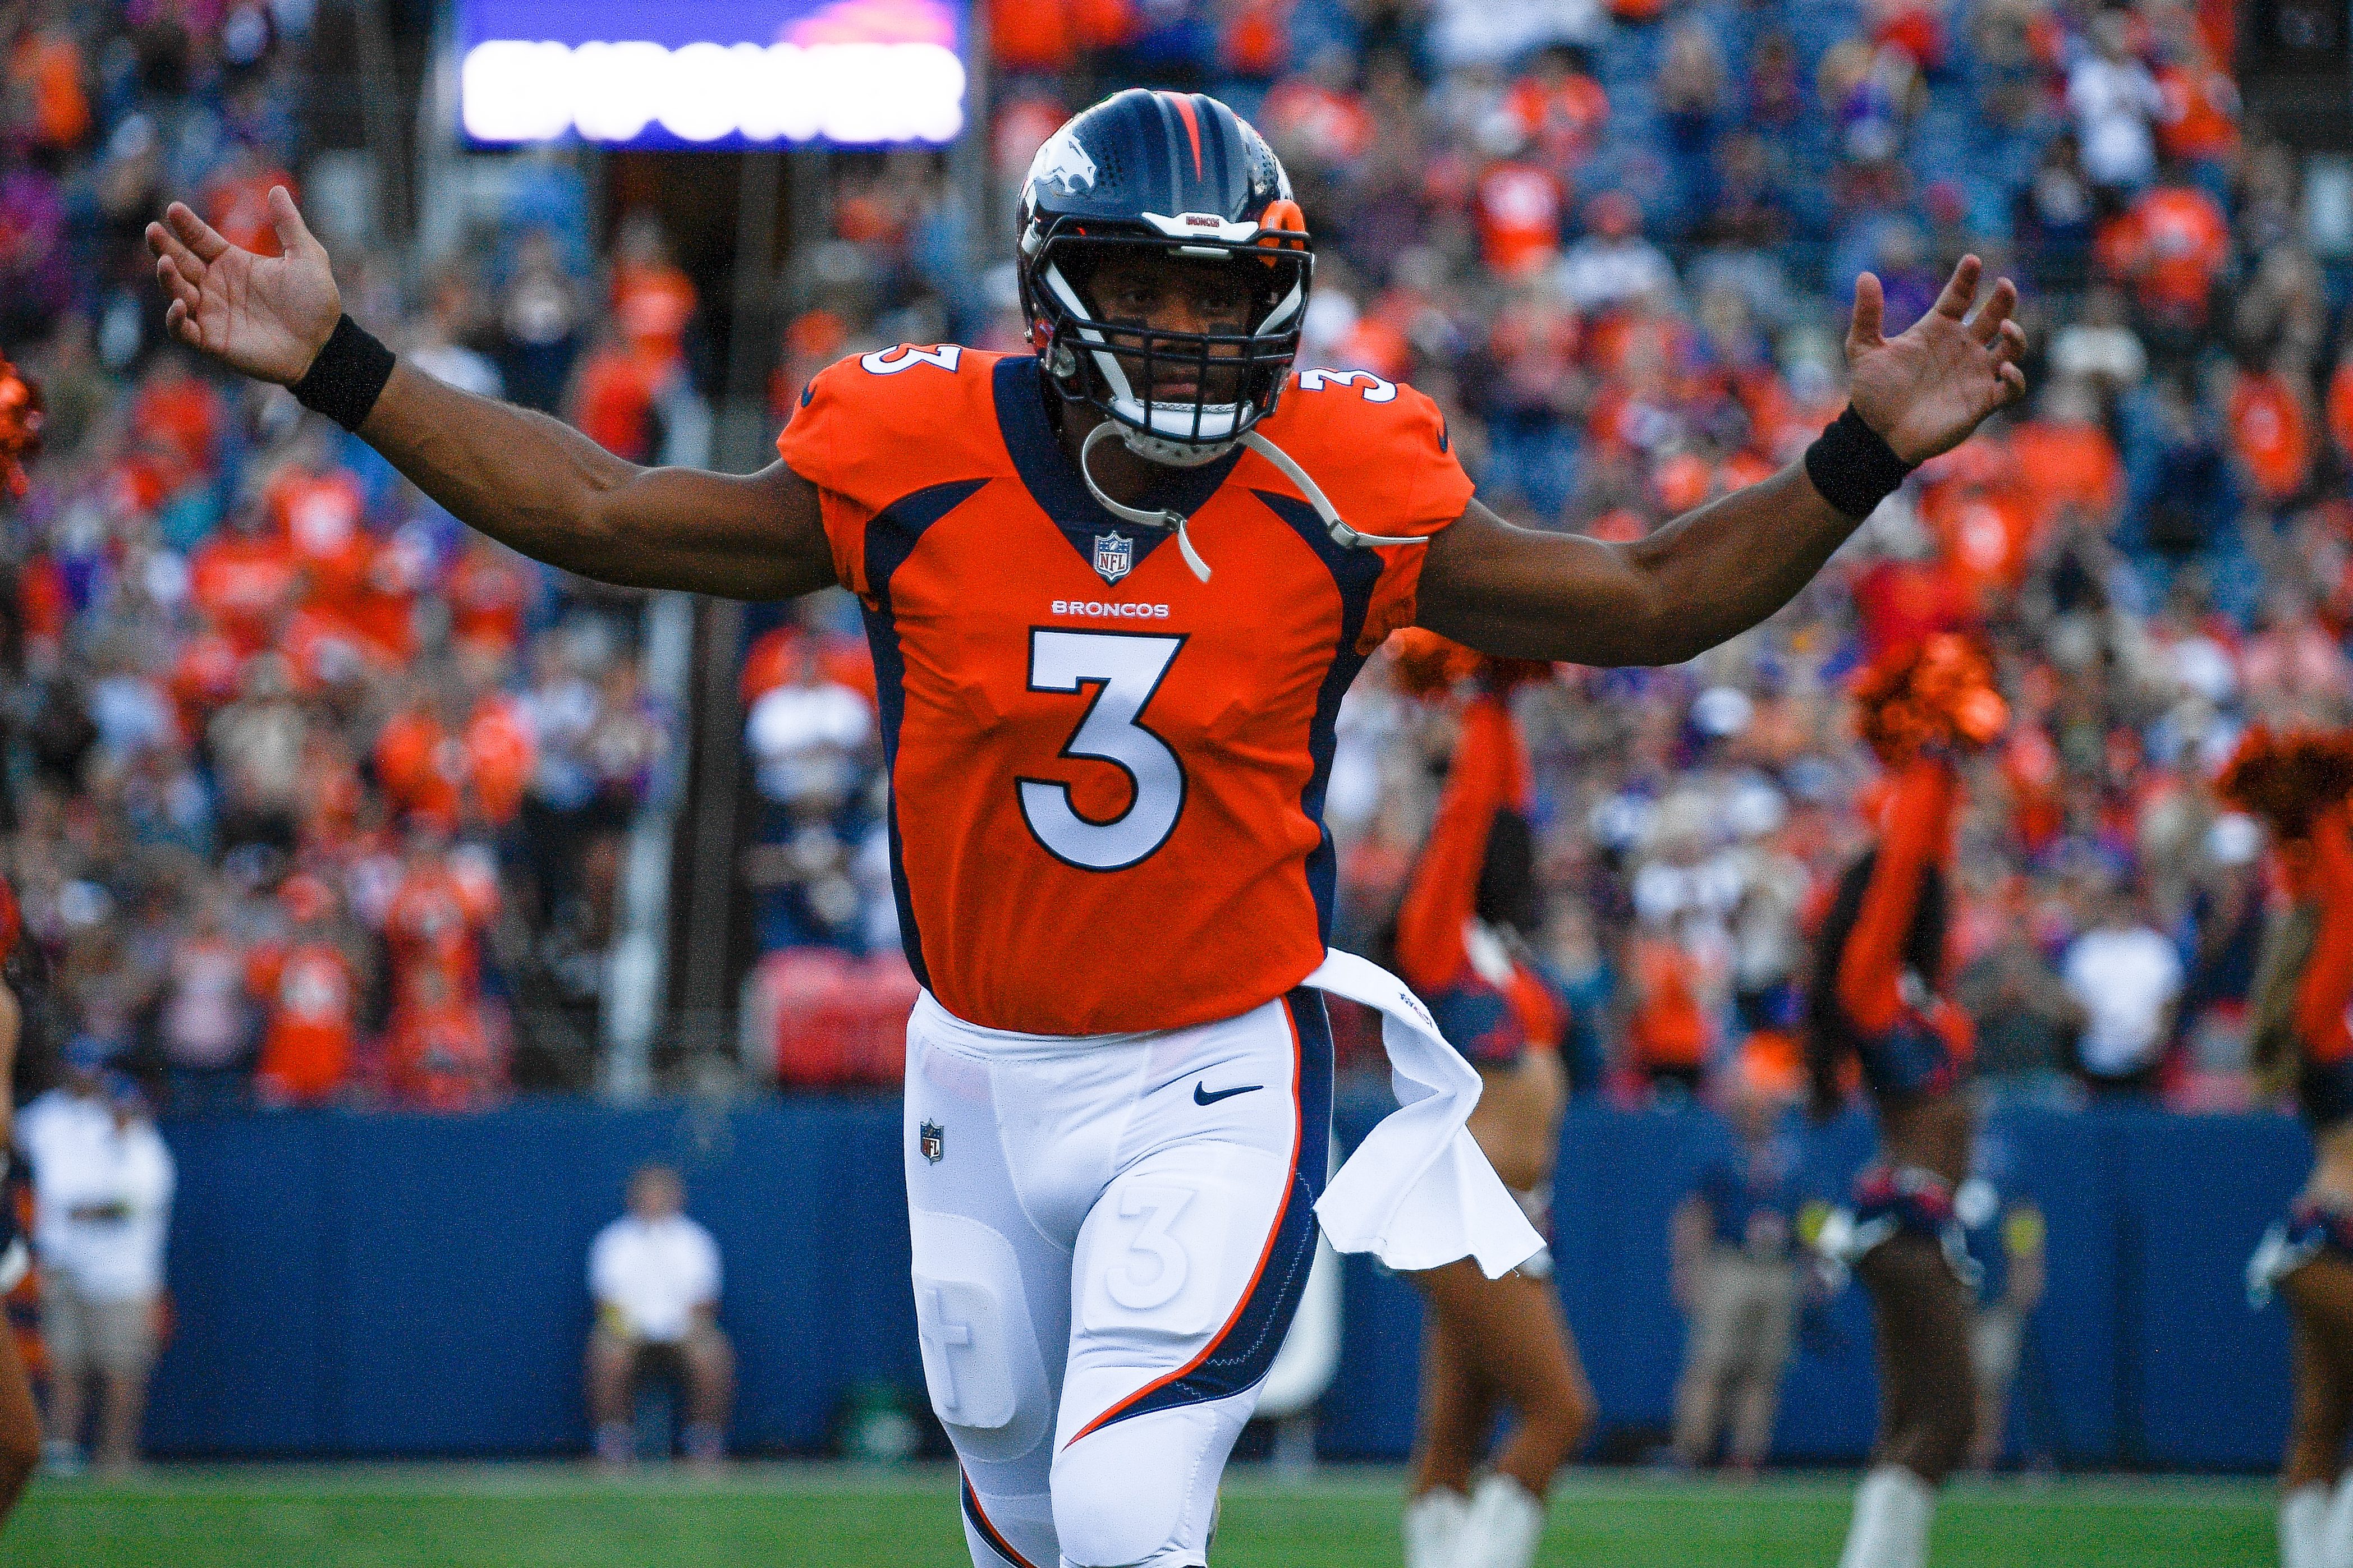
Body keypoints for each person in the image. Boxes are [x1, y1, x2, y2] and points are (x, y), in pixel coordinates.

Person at [146, 87, 2025, 1568]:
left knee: (1131, 1515)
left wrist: (1853, 455)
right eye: (1151, 287)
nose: (1195, 330)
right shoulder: (918, 452)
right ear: (1061, 292)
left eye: (1227, 292)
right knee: (1024, 1518)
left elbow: (1637, 595)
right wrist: (343, 367)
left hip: (1216, 1067)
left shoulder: (1341, 484)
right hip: (973, 1063)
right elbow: (616, 511)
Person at [1388, 636, 1591, 1568]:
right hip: (1460, 1210)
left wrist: (1506, 703)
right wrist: (1475, 700)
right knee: (1559, 1411)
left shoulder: (1504, 958)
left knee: (1452, 1441)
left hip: (1510, 1215)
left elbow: (1504, 811)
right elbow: (1473, 815)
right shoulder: (1437, 945)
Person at [1806, 634, 2008, 1568]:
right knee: (1951, 1418)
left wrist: (1947, 778)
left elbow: (1926, 872)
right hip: (1906, 1226)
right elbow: (1897, 877)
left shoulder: (1924, 1007)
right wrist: (1926, 761)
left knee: (1911, 1420)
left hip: (1919, 1228)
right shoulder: (1875, 1000)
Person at [2228, 728, 2353, 1568]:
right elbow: (2343, 906)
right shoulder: (2318, 1025)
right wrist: (2326, 812)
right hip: (2341, 1240)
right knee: (2315, 1424)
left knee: (2318, 1424)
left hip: (2320, 1238)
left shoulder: (2317, 1026)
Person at [19, 1052, 175, 1475]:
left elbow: (126, 1205)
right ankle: (63, 1454)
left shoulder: (148, 1149)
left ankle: (116, 1459)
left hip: (125, 1278)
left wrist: (86, 1210)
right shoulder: (83, 1131)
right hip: (71, 1268)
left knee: (121, 1372)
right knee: (66, 1366)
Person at [1671, 1073, 1806, 1474]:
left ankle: (1746, 1455)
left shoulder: (1791, 1155)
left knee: (1762, 1369)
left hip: (1780, 1266)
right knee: (1710, 1362)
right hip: (1731, 1262)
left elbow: (1810, 1212)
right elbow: (1695, 1214)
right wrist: (1688, 1269)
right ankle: (1691, 1449)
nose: (1757, 1115)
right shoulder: (1719, 1152)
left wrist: (1814, 1264)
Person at [587, 1165, 732, 1467]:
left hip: (684, 1333)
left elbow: (705, 1301)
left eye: (662, 1193)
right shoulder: (614, 1241)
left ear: (677, 1197)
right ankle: (614, 1442)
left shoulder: (695, 1240)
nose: (654, 1200)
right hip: (628, 1332)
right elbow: (606, 1302)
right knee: (606, 1350)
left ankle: (704, 1441)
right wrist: (627, 1329)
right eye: (648, 1193)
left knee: (713, 1352)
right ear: (634, 1197)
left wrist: (685, 1329)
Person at [1955, 1131, 2045, 1472]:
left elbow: (2022, 1216)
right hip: (1947, 1286)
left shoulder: (2004, 1160)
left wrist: (2027, 1264)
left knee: (1990, 1377)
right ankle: (1943, 1457)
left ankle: (1979, 1459)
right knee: (1947, 1380)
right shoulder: (1932, 1154)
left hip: (1993, 1291)